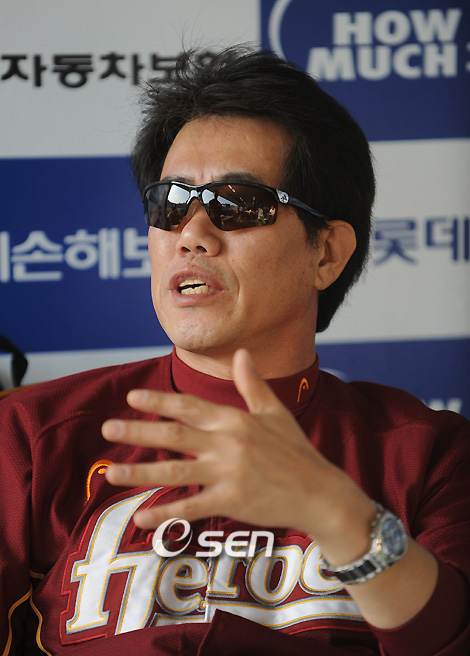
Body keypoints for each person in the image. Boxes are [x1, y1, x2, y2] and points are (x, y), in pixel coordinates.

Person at [1, 46, 469, 656]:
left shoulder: (428, 454)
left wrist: (338, 514)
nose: (191, 235)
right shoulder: (30, 436)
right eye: (170, 203)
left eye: (237, 203)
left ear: (326, 253)